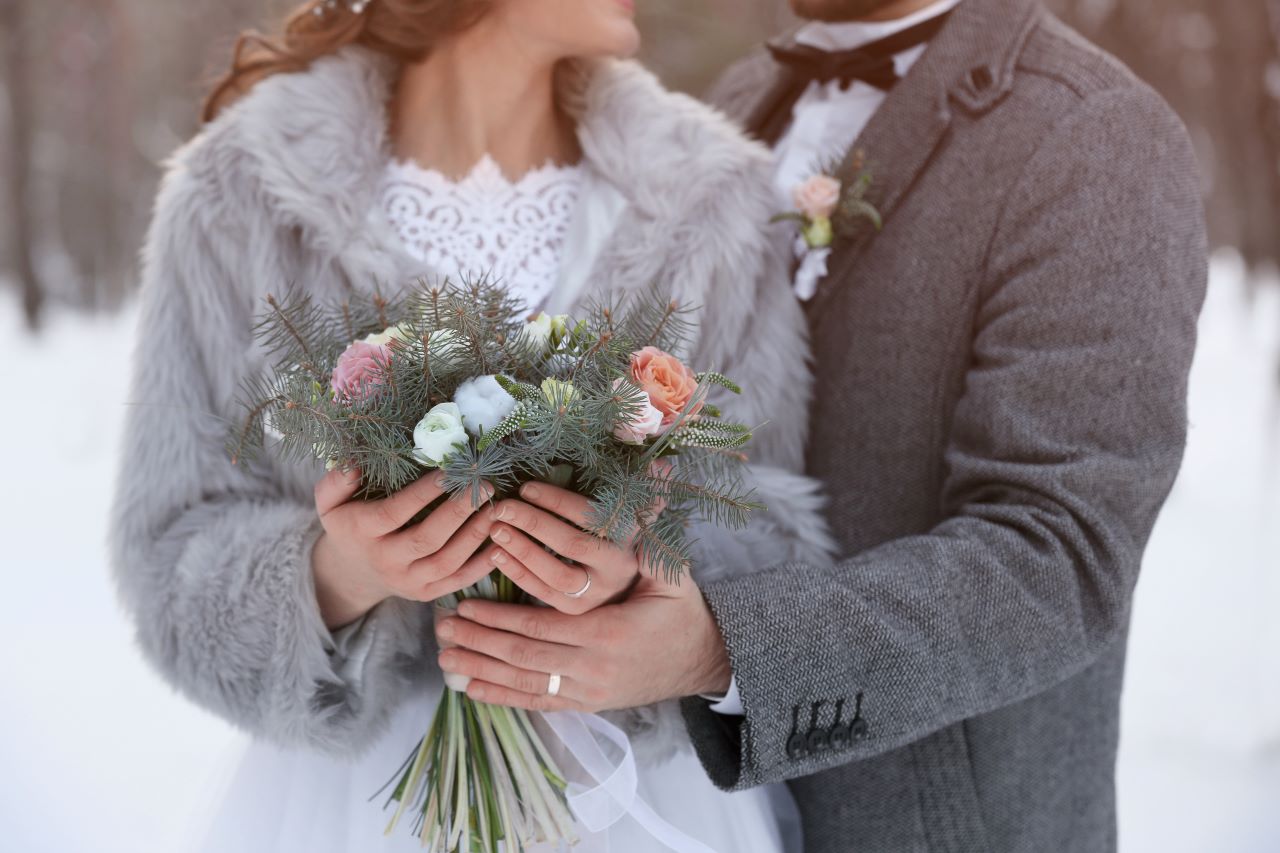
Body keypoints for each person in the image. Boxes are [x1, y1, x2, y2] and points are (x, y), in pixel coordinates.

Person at [439, 0, 1209, 850]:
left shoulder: (1094, 133)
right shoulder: (739, 100)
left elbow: (1060, 557)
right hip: (692, 814)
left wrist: (721, 649)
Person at [108, 0, 834, 850]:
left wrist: (641, 585)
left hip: (638, 800)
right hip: (365, 803)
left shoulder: (713, 197)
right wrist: (339, 573)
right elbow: (168, 550)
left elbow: (774, 524)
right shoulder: (239, 192)